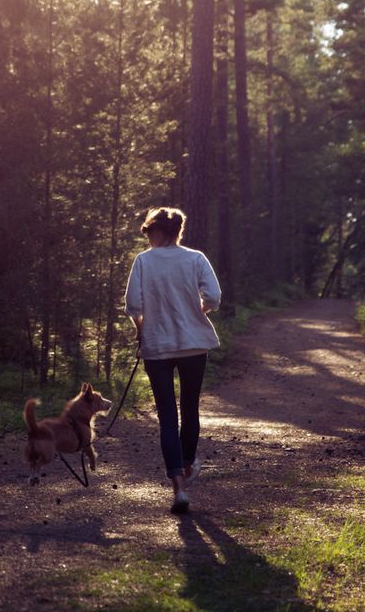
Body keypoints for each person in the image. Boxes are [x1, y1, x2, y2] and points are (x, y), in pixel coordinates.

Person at [124, 206, 221, 514]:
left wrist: (142, 331)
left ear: (159, 231)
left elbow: (133, 304)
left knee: (167, 415)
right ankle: (188, 467)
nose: (147, 237)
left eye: (149, 231)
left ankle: (179, 487)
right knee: (190, 408)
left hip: (157, 347)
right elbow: (215, 298)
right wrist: (196, 313)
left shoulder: (143, 262)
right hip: (194, 345)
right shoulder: (195, 259)